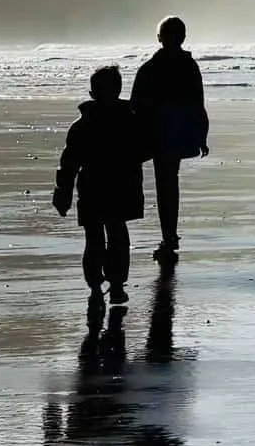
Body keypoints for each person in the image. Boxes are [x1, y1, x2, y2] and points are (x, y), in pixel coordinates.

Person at [53, 62, 144, 303]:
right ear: (118, 91)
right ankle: (116, 285)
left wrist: (63, 192)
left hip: (92, 188)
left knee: (93, 239)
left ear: (92, 94)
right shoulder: (131, 121)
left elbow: (69, 162)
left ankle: (95, 285)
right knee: (117, 234)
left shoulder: (82, 125)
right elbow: (145, 150)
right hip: (121, 187)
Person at [128, 15, 210, 263]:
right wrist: (201, 135)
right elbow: (198, 103)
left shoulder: (150, 67)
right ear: (183, 37)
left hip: (155, 132)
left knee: (163, 184)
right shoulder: (189, 66)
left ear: (159, 38)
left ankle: (168, 235)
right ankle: (169, 235)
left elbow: (135, 105)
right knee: (169, 183)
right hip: (179, 131)